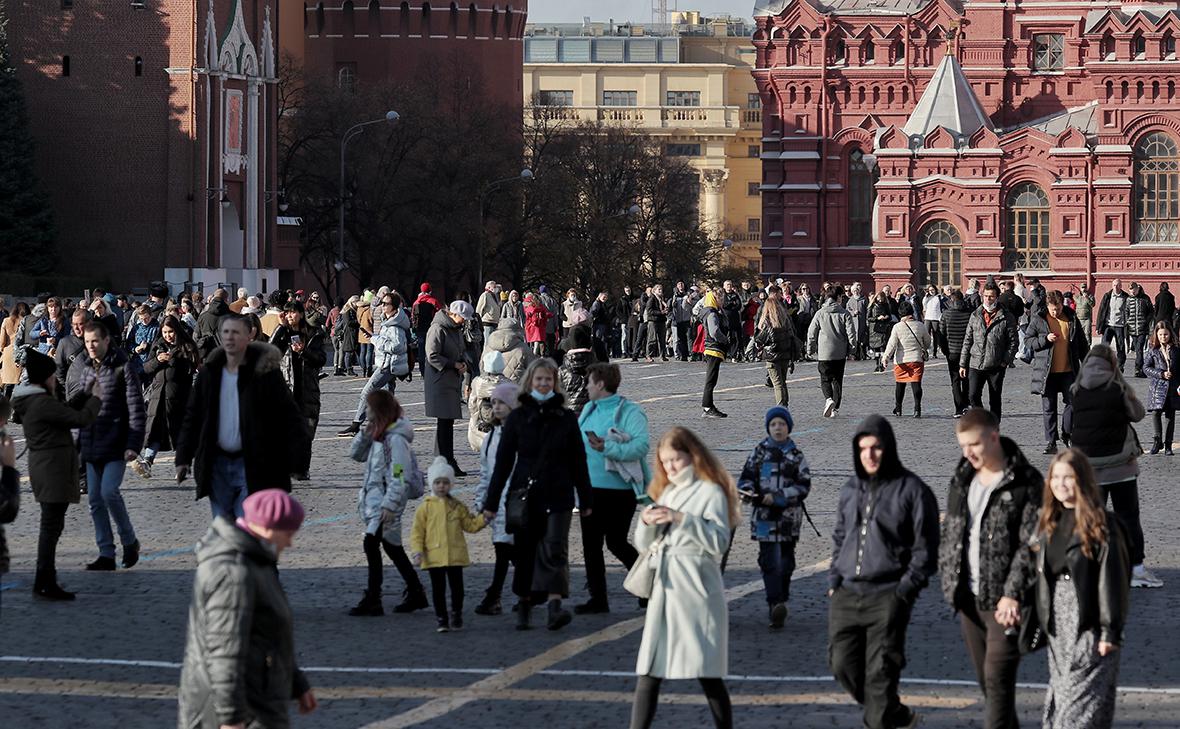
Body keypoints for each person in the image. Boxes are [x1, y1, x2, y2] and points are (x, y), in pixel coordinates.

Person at [829, 415, 939, 729]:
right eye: (863, 449)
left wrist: (904, 590)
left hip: (887, 595)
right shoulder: (850, 488)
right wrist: (835, 578)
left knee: (880, 672)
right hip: (847, 592)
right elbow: (840, 535)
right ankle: (895, 714)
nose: (870, 455)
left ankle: (881, 715)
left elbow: (926, 547)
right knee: (842, 666)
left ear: (888, 448)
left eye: (876, 447)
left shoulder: (912, 490)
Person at [177, 489, 318, 727]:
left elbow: (271, 633)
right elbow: (225, 651)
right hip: (242, 709)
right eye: (289, 533)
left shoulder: (256, 562)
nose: (291, 542)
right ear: (270, 529)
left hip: (259, 697)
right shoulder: (234, 572)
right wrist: (231, 717)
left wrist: (297, 683)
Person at [939, 408, 1042, 729]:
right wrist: (947, 578)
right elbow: (953, 529)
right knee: (990, 687)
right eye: (963, 446)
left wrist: (1012, 595)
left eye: (974, 445)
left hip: (1006, 605)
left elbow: (1032, 544)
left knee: (997, 681)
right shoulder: (962, 477)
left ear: (994, 437)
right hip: (968, 599)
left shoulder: (1026, 481)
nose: (968, 453)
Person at [630, 427, 738, 729]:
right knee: (649, 672)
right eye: (665, 462)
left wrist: (681, 518)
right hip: (665, 591)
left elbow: (718, 542)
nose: (670, 467)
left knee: (708, 674)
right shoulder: (667, 491)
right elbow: (643, 543)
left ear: (692, 455)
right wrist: (646, 520)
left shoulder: (710, 492)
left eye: (676, 460)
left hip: (696, 592)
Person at [480, 358, 593, 631]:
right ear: (530, 382)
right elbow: (503, 464)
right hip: (526, 494)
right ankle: (526, 604)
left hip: (559, 492)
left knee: (556, 549)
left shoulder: (565, 417)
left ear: (555, 383)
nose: (544, 383)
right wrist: (491, 502)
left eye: (548, 379)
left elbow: (578, 460)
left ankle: (555, 607)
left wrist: (586, 498)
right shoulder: (518, 417)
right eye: (539, 379)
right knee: (526, 552)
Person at [1030, 450, 1131, 729]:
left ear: (1083, 480)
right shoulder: (1048, 521)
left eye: (1069, 477)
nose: (1061, 484)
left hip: (1089, 626)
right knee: (1062, 704)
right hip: (1058, 629)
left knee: (1079, 715)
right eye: (1056, 477)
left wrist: (1110, 630)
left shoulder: (1103, 524)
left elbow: (1115, 580)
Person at [176, 315, 307, 519]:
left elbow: (289, 416)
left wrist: (298, 461)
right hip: (217, 464)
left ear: (249, 335)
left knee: (247, 524)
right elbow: (193, 417)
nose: (229, 337)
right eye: (225, 332)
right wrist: (183, 457)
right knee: (224, 526)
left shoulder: (266, 374)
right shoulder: (209, 374)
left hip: (254, 462)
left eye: (235, 332)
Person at [1070, 344, 1163, 588]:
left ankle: (1091, 567)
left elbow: (1070, 425)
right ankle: (1136, 569)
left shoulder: (1076, 389)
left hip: (1088, 468)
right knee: (1128, 518)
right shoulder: (1118, 388)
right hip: (1121, 466)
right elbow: (1138, 413)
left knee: (1091, 518)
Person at [11, 350, 102, 599]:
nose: (55, 380)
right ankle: (44, 581)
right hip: (52, 470)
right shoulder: (41, 402)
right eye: (52, 375)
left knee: (51, 526)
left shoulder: (37, 400)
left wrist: (84, 392)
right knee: (50, 528)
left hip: (47, 467)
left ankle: (44, 580)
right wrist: (96, 398)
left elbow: (63, 410)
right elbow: (80, 419)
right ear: (45, 378)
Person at [66, 321, 146, 572]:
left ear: (106, 341)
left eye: (95, 341)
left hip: (116, 442)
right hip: (91, 443)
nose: (90, 346)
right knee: (95, 500)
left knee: (109, 491)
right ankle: (106, 553)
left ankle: (129, 540)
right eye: (87, 342)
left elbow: (135, 407)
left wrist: (133, 444)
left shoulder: (123, 369)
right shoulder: (86, 370)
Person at [576, 362, 651, 614]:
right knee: (591, 545)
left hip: (620, 491)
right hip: (590, 489)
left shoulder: (630, 411)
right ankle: (598, 599)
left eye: (589, 382)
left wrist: (606, 447)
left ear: (600, 384)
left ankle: (647, 587)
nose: (586, 386)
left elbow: (640, 446)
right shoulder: (589, 408)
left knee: (616, 542)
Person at [347, 390, 429, 616]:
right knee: (392, 547)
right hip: (375, 500)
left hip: (385, 503)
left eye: (370, 408)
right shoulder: (378, 434)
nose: (367, 412)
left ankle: (374, 598)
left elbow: (399, 475)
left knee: (371, 544)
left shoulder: (396, 440)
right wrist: (364, 434)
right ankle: (415, 591)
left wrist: (390, 504)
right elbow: (355, 455)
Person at [737, 406, 810, 629]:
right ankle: (774, 603)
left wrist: (778, 497)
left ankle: (782, 596)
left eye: (781, 424)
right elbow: (746, 478)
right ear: (768, 428)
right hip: (763, 517)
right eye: (773, 424)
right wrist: (749, 492)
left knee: (786, 562)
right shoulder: (759, 452)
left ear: (789, 427)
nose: (777, 428)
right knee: (768, 561)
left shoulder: (796, 456)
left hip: (789, 518)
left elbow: (804, 486)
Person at [411, 457, 488, 632]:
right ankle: (441, 618)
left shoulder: (457, 506)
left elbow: (470, 525)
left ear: (451, 484)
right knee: (438, 590)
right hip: (434, 556)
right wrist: (417, 551)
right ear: (432, 484)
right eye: (437, 482)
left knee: (457, 589)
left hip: (455, 556)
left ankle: (456, 613)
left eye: (445, 482)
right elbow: (417, 533)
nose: (441, 486)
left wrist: (484, 519)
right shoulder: (425, 508)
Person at [472, 381, 521, 616]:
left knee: (507, 551)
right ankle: (526, 590)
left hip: (516, 504)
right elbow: (486, 474)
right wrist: (482, 502)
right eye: (494, 403)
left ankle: (496, 595)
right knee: (506, 550)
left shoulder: (522, 436)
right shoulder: (490, 438)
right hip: (497, 505)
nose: (497, 407)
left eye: (502, 403)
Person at [338, 292, 413, 438]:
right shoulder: (389, 320)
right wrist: (373, 337)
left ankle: (356, 424)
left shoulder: (395, 326)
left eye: (386, 304)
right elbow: (386, 341)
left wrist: (376, 341)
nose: (383, 306)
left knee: (367, 392)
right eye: (382, 303)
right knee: (388, 396)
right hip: (388, 363)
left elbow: (397, 346)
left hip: (388, 366)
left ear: (394, 307)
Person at [133, 315, 198, 478]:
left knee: (179, 432)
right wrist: (158, 360)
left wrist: (177, 359)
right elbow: (146, 368)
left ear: (177, 331)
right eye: (165, 332)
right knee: (155, 430)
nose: (168, 335)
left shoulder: (187, 347)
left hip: (179, 397)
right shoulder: (158, 346)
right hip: (158, 396)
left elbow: (193, 367)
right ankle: (147, 462)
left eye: (171, 332)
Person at [270, 302, 327, 480]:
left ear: (301, 314)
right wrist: (280, 326)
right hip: (287, 389)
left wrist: (304, 352)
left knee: (307, 431)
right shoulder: (284, 333)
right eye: (286, 313)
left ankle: (302, 468)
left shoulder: (314, 333)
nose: (289, 316)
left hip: (307, 389)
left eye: (292, 313)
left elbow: (320, 360)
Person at [1028, 291, 1089, 454]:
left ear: (1063, 304)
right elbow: (1028, 341)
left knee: (1073, 402)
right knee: (1049, 407)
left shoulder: (1071, 318)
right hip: (1046, 372)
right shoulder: (1039, 319)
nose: (1056, 312)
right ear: (1047, 306)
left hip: (1069, 370)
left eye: (1059, 308)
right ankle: (1051, 442)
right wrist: (1044, 339)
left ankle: (1067, 433)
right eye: (1053, 309)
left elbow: (1082, 343)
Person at [425, 301, 474, 477]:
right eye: (463, 317)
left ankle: (445, 460)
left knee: (448, 422)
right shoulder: (438, 328)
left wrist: (464, 364)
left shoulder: (455, 329)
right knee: (444, 422)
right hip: (440, 380)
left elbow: (461, 350)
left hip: (451, 379)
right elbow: (432, 354)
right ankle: (445, 461)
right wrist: (453, 364)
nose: (464, 321)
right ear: (454, 314)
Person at [960, 283, 1018, 421]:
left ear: (997, 297)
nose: (988, 299)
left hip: (996, 364)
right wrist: (963, 363)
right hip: (976, 363)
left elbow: (1013, 341)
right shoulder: (975, 315)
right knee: (972, 395)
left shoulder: (1006, 316)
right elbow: (967, 340)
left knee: (995, 398)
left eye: (991, 297)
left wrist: (1005, 361)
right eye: (985, 296)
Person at [807, 289, 857, 418]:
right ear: (838, 298)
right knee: (837, 380)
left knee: (825, 378)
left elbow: (811, 333)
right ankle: (835, 409)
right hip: (840, 353)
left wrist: (810, 349)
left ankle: (828, 399)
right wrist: (852, 350)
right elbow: (851, 333)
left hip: (824, 352)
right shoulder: (845, 313)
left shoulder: (820, 313)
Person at [882, 301, 931, 418]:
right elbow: (928, 342)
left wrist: (885, 358)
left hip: (901, 361)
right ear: (911, 312)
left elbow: (891, 344)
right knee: (916, 384)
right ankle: (917, 409)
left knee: (900, 385)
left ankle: (898, 409)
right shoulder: (920, 325)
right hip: (916, 359)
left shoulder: (897, 327)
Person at [754, 290, 801, 408]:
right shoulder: (785, 320)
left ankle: (781, 406)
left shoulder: (767, 322)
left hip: (772, 355)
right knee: (783, 382)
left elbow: (760, 339)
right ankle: (785, 404)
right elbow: (791, 335)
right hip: (785, 354)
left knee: (777, 383)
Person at [1143, 319, 1180, 454]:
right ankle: (1157, 440)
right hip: (1157, 388)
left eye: (1165, 334)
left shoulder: (1176, 350)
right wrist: (1161, 374)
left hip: (1172, 388)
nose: (1163, 337)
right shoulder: (1153, 350)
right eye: (1160, 335)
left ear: (1170, 334)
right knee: (1156, 413)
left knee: (1170, 417)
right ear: (1156, 335)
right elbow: (1146, 368)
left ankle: (1168, 445)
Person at [466, 350, 509, 452]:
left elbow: (472, 404)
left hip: (483, 424)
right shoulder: (508, 384)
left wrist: (475, 418)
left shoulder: (478, 382)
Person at [941, 290, 972, 417]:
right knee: (966, 379)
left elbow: (941, 334)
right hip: (967, 351)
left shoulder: (946, 314)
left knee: (955, 380)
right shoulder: (969, 313)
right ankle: (966, 405)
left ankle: (958, 408)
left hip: (952, 352)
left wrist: (944, 350)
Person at [699, 290, 730, 418]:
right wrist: (725, 339)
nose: (722, 302)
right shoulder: (711, 313)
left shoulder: (713, 311)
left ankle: (709, 405)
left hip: (714, 348)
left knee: (712, 379)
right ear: (715, 299)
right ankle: (707, 407)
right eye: (721, 299)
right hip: (713, 348)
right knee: (710, 380)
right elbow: (714, 331)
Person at [485, 315, 534, 383]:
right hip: (515, 389)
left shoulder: (488, 347)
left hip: (490, 388)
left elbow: (482, 367)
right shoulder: (523, 348)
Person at [1096, 279, 1129, 371]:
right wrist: (1099, 326)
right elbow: (1101, 311)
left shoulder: (1125, 297)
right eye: (1114, 285)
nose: (1115, 287)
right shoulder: (1107, 296)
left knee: (1121, 347)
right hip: (1108, 325)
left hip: (1120, 326)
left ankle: (1120, 366)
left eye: (1118, 285)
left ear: (1121, 286)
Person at [1125, 282, 1154, 377]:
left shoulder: (1145, 298)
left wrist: (1146, 321)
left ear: (1137, 289)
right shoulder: (1128, 299)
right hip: (1132, 328)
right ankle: (1139, 369)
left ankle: (1138, 369)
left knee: (1139, 348)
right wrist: (1128, 321)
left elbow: (1151, 311)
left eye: (1133, 291)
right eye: (1131, 291)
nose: (1132, 293)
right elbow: (1126, 311)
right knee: (1138, 349)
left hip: (1142, 328)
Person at [1, 302, 30, 398]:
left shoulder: (6, 321)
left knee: (8, 384)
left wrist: (2, 350)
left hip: (9, 353)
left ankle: (5, 407)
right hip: (22, 353)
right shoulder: (28, 322)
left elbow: (2, 341)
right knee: (20, 382)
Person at [868, 291, 894, 373]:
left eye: (882, 297)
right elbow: (868, 318)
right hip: (874, 329)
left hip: (883, 328)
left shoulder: (886, 305)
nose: (880, 299)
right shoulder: (872, 306)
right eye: (879, 297)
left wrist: (886, 317)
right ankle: (877, 364)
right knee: (876, 348)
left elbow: (890, 317)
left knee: (882, 347)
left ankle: (882, 365)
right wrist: (877, 318)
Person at [644, 284, 669, 362]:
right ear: (654, 291)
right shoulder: (652, 298)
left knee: (662, 339)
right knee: (652, 339)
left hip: (661, 321)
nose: (661, 291)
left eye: (661, 289)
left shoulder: (661, 299)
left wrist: (665, 311)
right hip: (653, 321)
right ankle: (649, 355)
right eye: (659, 290)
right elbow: (649, 310)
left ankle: (662, 355)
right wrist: (660, 312)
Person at [523, 292, 552, 357]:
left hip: (538, 326)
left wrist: (544, 315)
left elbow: (546, 313)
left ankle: (537, 355)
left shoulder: (540, 306)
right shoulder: (527, 307)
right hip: (531, 326)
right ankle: (534, 355)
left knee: (538, 341)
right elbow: (527, 314)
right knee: (533, 342)